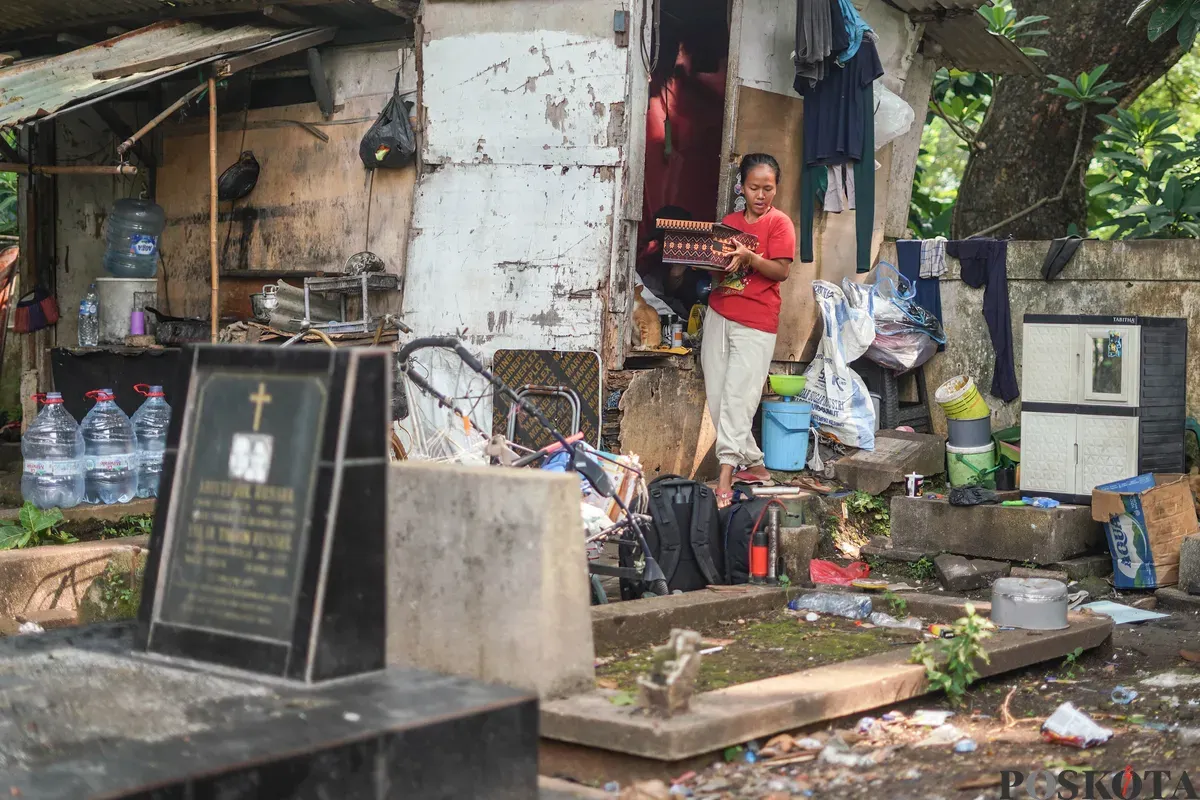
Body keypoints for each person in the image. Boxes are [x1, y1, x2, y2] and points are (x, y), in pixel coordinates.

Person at [701, 153, 796, 507]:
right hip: (719, 314)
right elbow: (718, 271)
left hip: (756, 322)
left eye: (768, 188)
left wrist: (750, 258)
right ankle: (755, 465)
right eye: (754, 187)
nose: (761, 195)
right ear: (741, 186)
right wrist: (702, 261)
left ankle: (726, 475)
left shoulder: (779, 224)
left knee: (739, 399)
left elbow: (781, 271)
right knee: (718, 398)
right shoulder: (729, 223)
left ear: (776, 188)